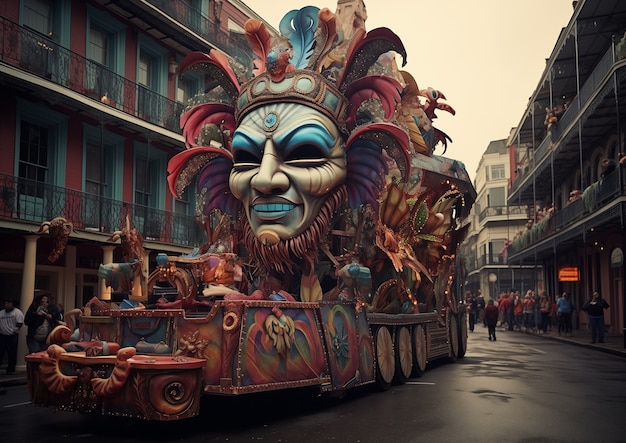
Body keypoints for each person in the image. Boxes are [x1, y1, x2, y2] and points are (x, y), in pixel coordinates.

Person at [0, 298, 24, 375]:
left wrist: (15, 330)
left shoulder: (17, 312)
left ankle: (10, 369)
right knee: (0, 352)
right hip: (2, 335)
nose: (6, 305)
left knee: (12, 353)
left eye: (8, 303)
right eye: (5, 303)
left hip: (12, 335)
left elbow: (20, 322)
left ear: (12, 304)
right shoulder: (1, 313)